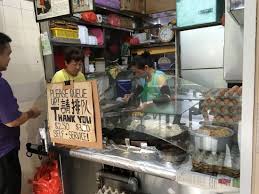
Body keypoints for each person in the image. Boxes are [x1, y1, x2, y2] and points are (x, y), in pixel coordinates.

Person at [0, 32, 41, 194]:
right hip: (4, 154)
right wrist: (32, 112)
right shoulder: (0, 85)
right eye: (7, 54)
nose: (10, 58)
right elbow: (13, 121)